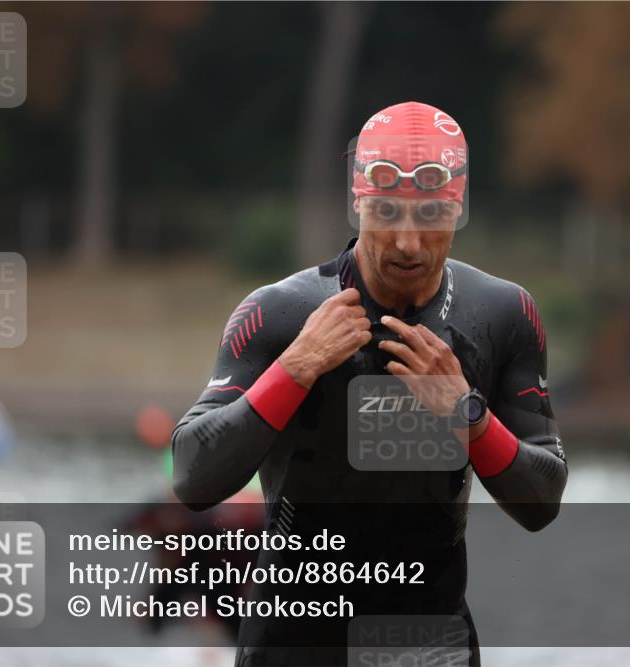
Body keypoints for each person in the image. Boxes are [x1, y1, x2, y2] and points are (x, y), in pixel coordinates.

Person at [172, 101, 568, 666]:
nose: (408, 242)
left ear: (456, 212)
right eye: (386, 214)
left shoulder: (503, 314)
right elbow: (192, 476)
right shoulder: (280, 315)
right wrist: (295, 368)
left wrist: (468, 416)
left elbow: (543, 500)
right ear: (358, 207)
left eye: (430, 216)